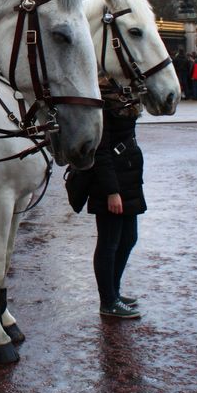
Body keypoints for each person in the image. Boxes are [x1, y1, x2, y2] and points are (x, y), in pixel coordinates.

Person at [71, 77, 146, 318]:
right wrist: (112, 192)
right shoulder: (101, 101)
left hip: (129, 177)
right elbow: (101, 152)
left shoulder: (125, 93)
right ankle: (108, 301)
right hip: (110, 182)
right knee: (109, 242)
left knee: (129, 238)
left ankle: (114, 291)